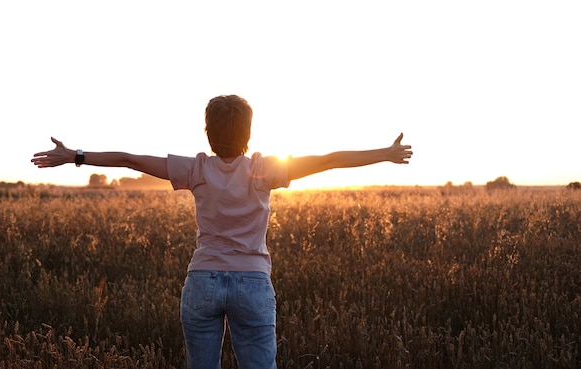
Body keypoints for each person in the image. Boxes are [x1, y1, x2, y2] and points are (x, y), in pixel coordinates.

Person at [31, 94, 413, 369]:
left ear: (209, 133)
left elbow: (131, 160)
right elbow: (329, 161)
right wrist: (384, 153)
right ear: (248, 132)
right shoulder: (264, 169)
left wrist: (76, 156)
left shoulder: (195, 169)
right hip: (252, 283)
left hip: (202, 281)